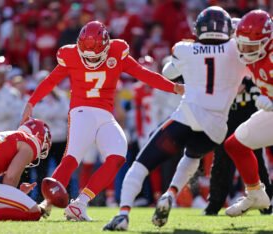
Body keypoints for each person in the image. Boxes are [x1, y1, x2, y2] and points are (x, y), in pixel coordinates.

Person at [103, 6, 250, 231]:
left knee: (141, 165)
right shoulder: (237, 51)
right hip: (215, 130)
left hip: (186, 119)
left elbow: (168, 73)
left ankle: (123, 213)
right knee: (192, 156)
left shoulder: (185, 49)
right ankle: (171, 193)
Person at [20, 20, 184, 221]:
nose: (91, 61)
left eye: (96, 56)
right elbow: (51, 80)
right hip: (81, 111)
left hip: (106, 115)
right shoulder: (70, 54)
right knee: (73, 156)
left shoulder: (117, 51)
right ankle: (46, 203)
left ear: (106, 46)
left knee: (117, 155)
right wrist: (31, 102)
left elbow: (144, 74)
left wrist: (173, 87)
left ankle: (80, 203)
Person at [223, 9, 273, 217]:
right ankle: (256, 194)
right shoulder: (246, 42)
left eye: (250, 46)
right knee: (235, 145)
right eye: (242, 44)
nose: (244, 50)